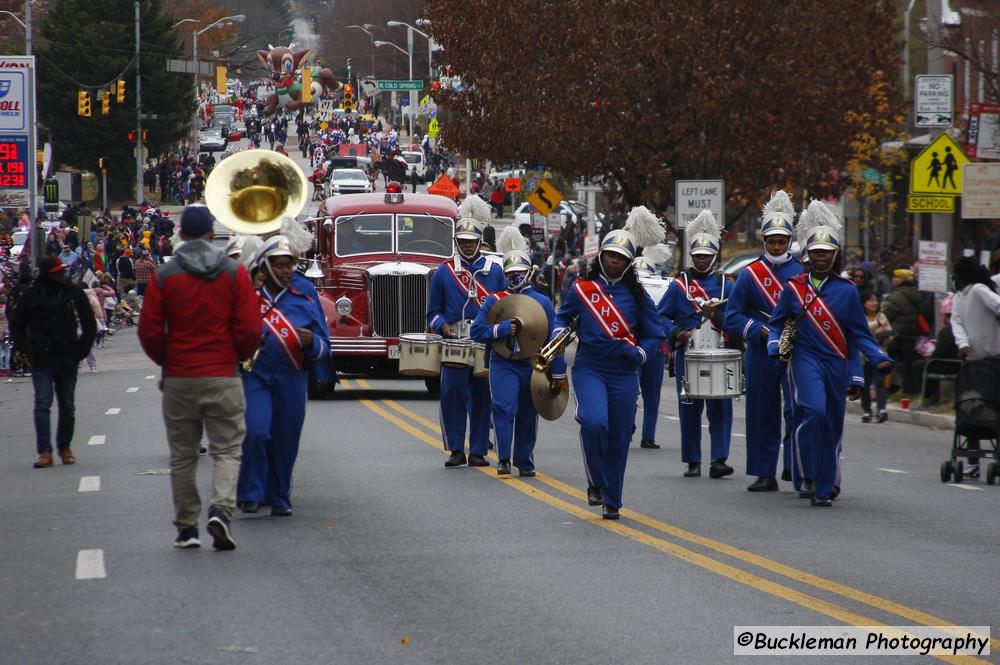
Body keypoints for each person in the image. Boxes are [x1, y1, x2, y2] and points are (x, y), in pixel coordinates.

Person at [138, 204, 261, 550]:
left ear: (180, 235)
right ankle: (221, 510)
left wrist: (168, 359)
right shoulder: (235, 273)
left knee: (183, 455)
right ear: (211, 234)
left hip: (179, 376)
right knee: (226, 450)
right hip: (223, 373)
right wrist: (236, 355)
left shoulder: (166, 276)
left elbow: (149, 329)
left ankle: (187, 527)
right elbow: (250, 327)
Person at [767, 200, 892, 506]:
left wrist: (878, 357)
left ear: (834, 256)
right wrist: (774, 344)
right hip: (804, 359)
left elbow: (859, 334)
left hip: (836, 362)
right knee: (813, 411)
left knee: (833, 424)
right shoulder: (794, 287)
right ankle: (807, 472)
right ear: (807, 255)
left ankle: (824, 488)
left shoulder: (847, 290)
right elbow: (777, 323)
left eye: (826, 252)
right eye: (815, 252)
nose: (820, 257)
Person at [555, 210, 664, 519]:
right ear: (601, 256)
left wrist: (641, 354)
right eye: (611, 256)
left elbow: (656, 334)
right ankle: (596, 483)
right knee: (593, 421)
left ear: (628, 263)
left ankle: (612, 499)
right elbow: (561, 317)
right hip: (590, 366)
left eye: (621, 258)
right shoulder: (581, 290)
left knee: (618, 438)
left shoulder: (638, 294)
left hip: (624, 372)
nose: (615, 262)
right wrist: (555, 333)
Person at [236, 231, 335, 517]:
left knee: (286, 438)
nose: (285, 270)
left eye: (289, 264)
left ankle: (279, 496)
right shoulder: (248, 296)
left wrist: (311, 342)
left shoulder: (304, 295)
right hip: (256, 376)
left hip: (292, 377)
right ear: (265, 267)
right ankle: (251, 493)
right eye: (278, 264)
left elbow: (323, 344)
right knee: (256, 430)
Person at [724, 191, 803, 491]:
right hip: (760, 350)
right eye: (771, 240)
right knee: (761, 411)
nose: (776, 245)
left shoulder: (801, 274)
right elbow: (732, 316)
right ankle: (763, 471)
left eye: (781, 241)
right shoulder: (749, 275)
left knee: (797, 408)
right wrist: (756, 330)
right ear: (764, 241)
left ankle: (795, 466)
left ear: (788, 242)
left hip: (794, 350)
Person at [470, 227, 564, 477]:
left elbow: (555, 339)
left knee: (527, 412)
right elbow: (476, 332)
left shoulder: (543, 302)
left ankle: (524, 459)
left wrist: (558, 374)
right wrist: (501, 329)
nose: (514, 278)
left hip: (532, 365)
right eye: (510, 274)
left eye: (519, 273)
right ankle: (503, 458)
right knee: (503, 407)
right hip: (504, 362)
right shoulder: (494, 299)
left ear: (528, 273)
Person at [426, 195, 505, 468]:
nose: (468, 246)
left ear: (479, 242)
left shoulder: (494, 270)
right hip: (454, 341)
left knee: (483, 395)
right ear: (456, 243)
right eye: (463, 242)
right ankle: (456, 449)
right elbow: (432, 311)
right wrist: (442, 325)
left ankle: (480, 450)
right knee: (451, 394)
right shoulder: (444, 272)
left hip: (484, 340)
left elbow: (506, 305)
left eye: (472, 241)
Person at [660, 209, 734, 479]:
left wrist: (720, 318)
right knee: (690, 407)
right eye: (698, 256)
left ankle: (719, 459)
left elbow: (737, 319)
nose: (702, 260)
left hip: (720, 353)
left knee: (720, 406)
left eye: (707, 256)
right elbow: (659, 318)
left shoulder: (727, 285)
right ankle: (692, 459)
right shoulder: (679, 286)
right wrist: (677, 332)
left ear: (715, 256)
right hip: (688, 353)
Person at [10, 256, 97, 468]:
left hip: (67, 356)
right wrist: (26, 348)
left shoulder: (73, 292)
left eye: (62, 272)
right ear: (48, 275)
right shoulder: (31, 294)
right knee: (42, 403)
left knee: (67, 406)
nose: (61, 275)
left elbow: (89, 323)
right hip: (42, 356)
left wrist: (81, 351)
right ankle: (44, 452)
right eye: (57, 272)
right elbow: (17, 324)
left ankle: (64, 447)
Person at [882, 268, 923, 394]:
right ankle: (908, 390)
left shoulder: (896, 296)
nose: (894, 279)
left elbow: (885, 315)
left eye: (896, 277)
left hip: (896, 334)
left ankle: (886, 388)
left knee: (887, 360)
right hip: (911, 333)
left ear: (902, 280)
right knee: (907, 365)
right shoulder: (916, 294)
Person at [859, 290, 893, 423]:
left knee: (880, 383)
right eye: (870, 300)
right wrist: (878, 325)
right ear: (863, 303)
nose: (874, 303)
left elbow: (889, 332)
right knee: (865, 384)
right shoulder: (859, 316)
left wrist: (884, 337)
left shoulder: (882, 315)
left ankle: (881, 410)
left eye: (876, 300)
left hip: (880, 354)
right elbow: (864, 329)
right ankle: (867, 411)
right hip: (864, 356)